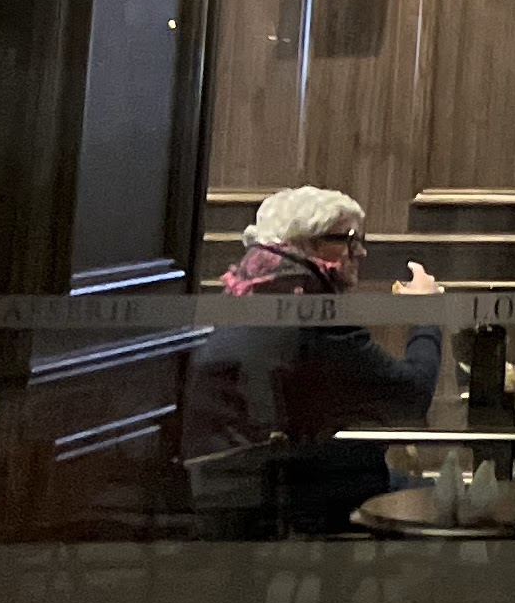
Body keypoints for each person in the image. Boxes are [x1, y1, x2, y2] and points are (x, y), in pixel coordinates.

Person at [180, 185, 446, 532]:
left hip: (225, 496)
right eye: (349, 239)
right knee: (447, 502)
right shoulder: (312, 317)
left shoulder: (241, 297)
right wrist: (426, 311)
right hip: (287, 505)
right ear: (306, 243)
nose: (361, 251)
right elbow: (412, 398)